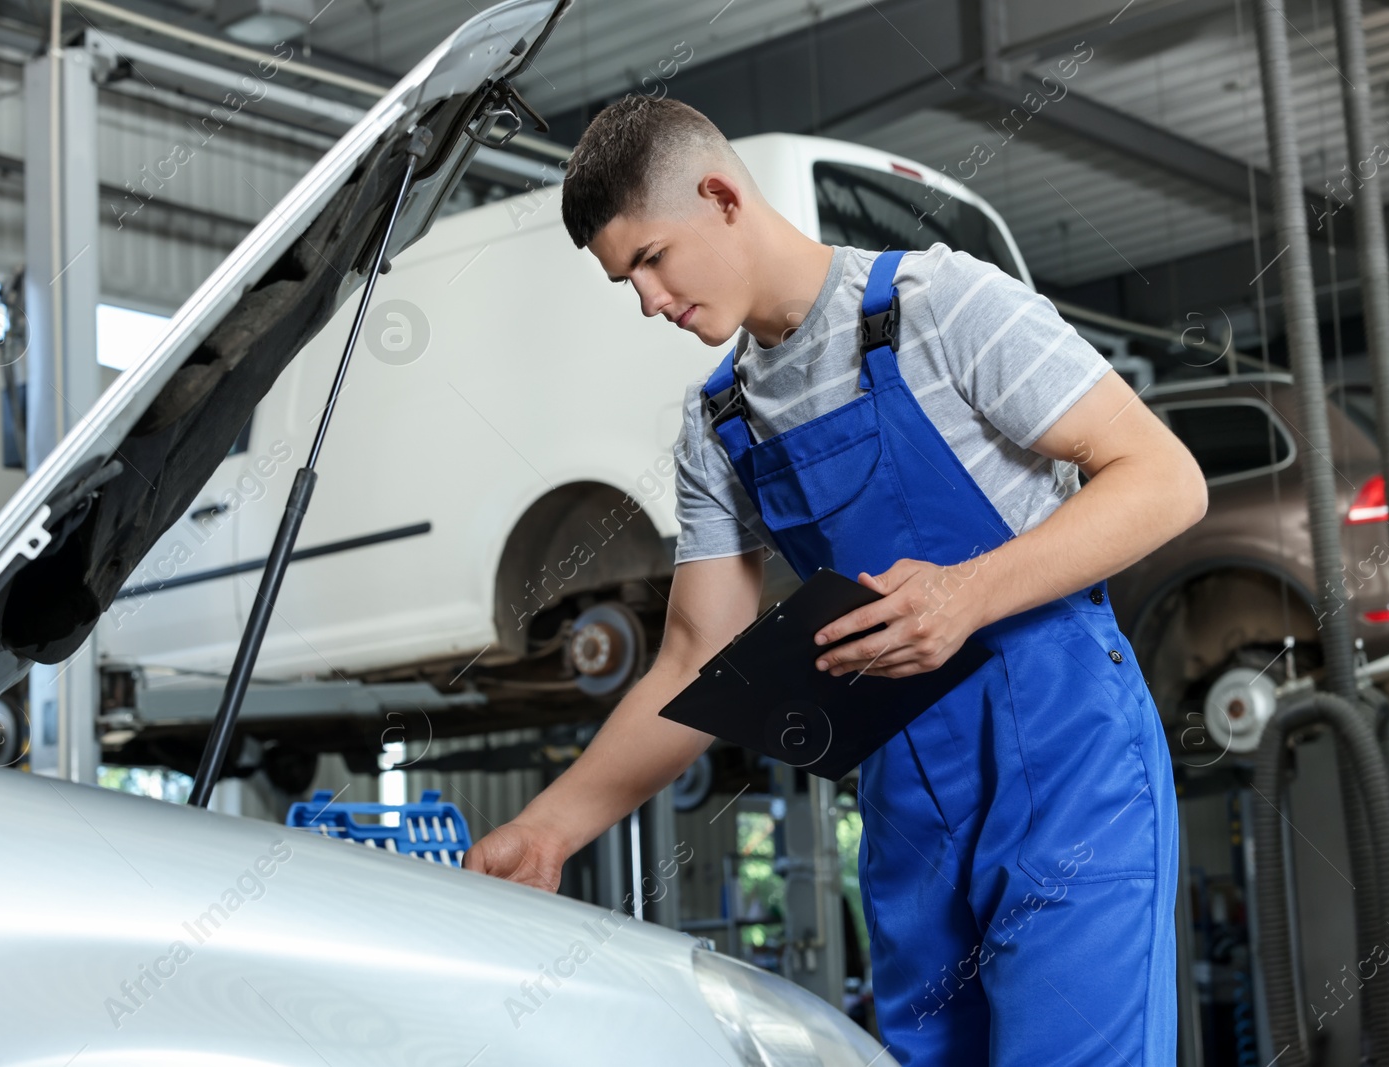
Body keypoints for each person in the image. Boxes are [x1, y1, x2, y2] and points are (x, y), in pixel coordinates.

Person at [462, 94, 1206, 1066]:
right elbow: (696, 657)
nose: (647, 299)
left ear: (722, 195)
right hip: (909, 805)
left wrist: (966, 593)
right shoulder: (717, 424)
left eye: (649, 259)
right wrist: (548, 826)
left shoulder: (944, 306)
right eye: (624, 282)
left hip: (1070, 780)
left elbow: (1163, 478)